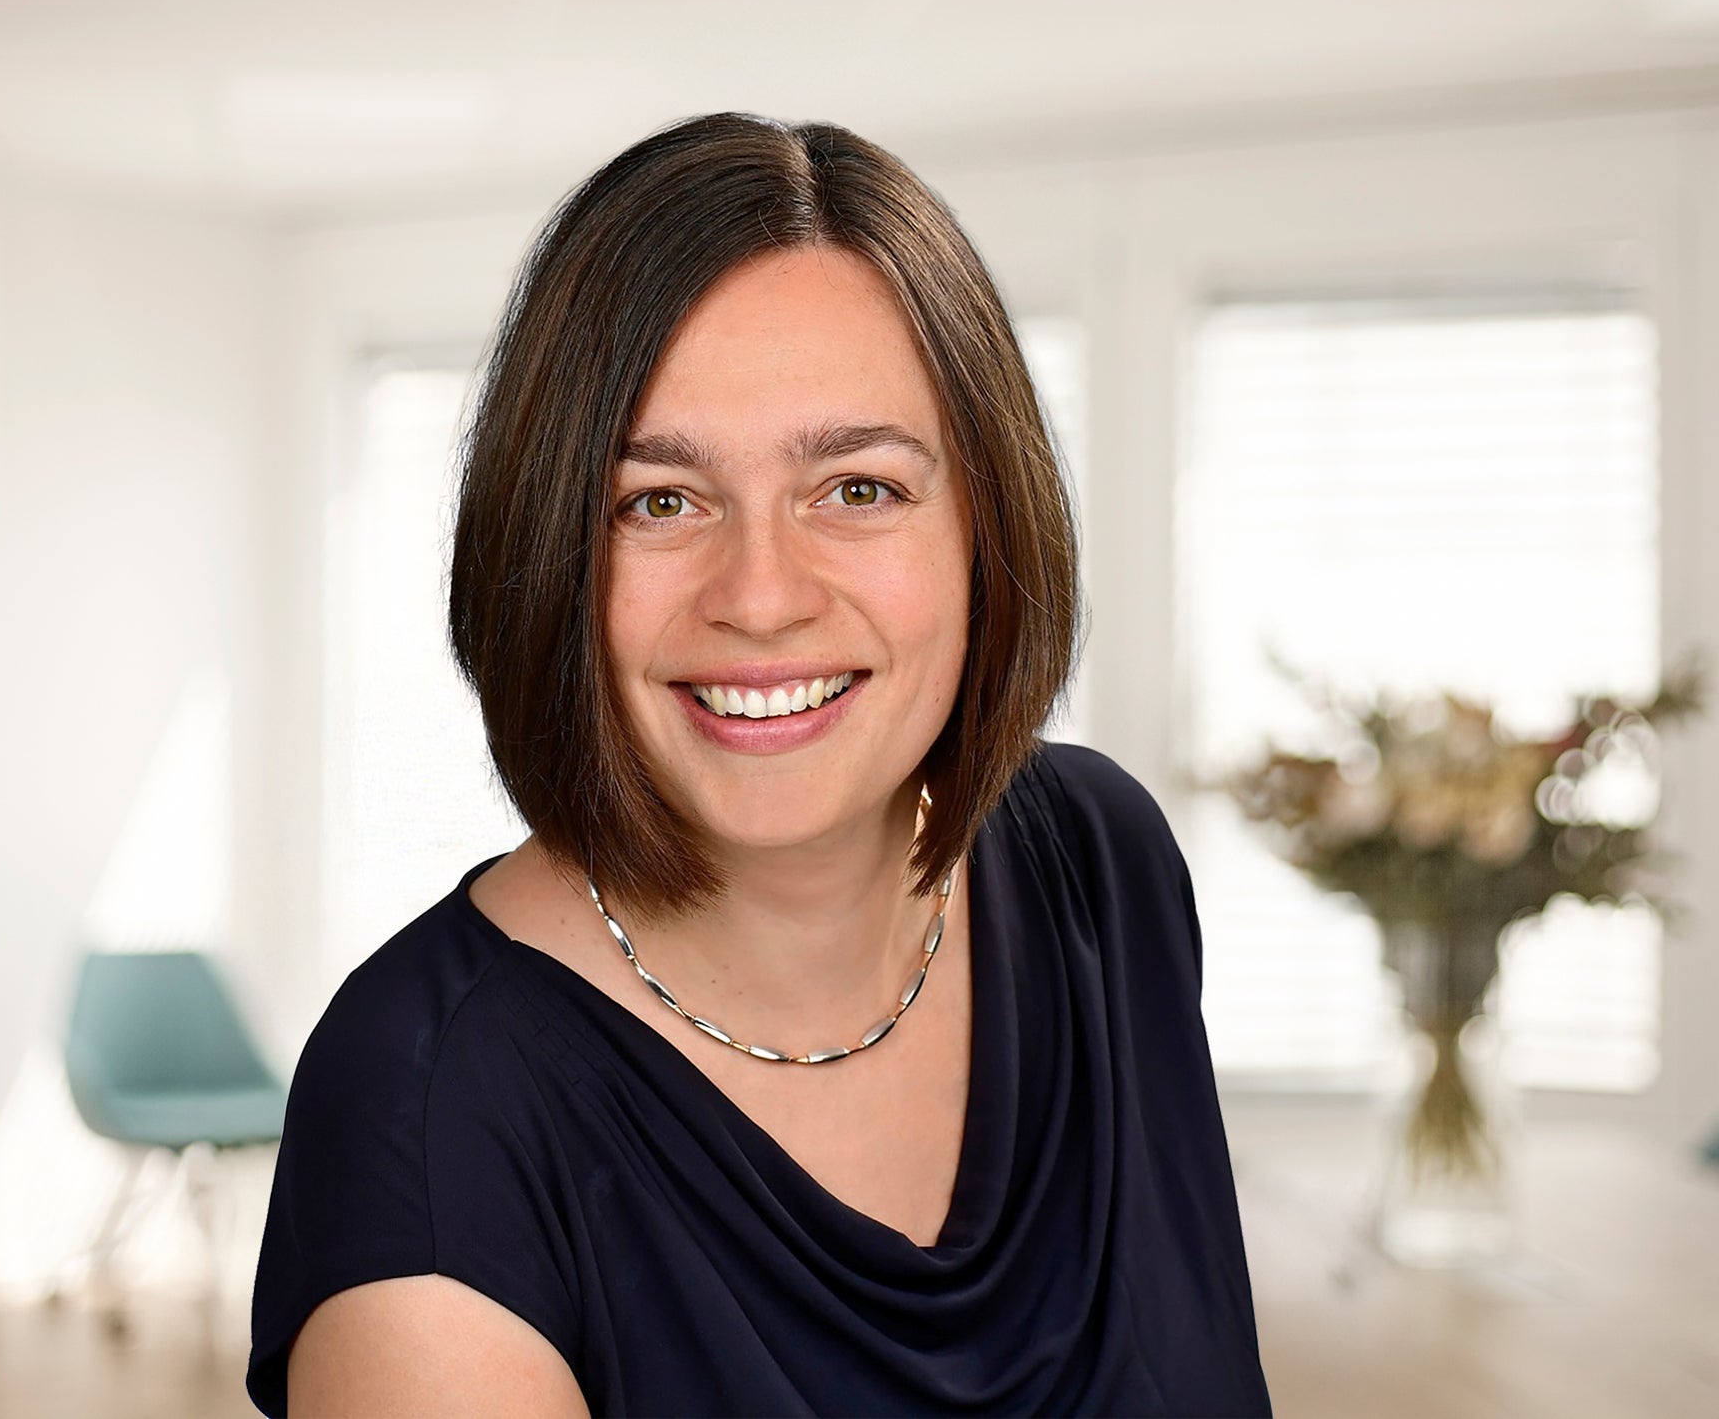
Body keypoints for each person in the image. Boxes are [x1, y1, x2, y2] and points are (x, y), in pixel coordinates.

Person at [246, 112, 1271, 1417]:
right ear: (551, 551)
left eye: (856, 487)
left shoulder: (1097, 863)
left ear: (984, 523)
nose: (763, 595)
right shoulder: (427, 1106)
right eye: (658, 501)